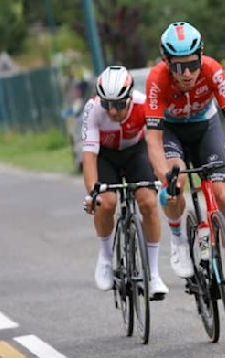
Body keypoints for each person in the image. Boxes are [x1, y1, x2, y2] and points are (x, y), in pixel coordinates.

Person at [145, 22, 225, 313]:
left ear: (201, 57)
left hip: (206, 128)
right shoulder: (157, 79)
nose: (186, 74)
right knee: (176, 182)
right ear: (166, 61)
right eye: (178, 67)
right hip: (172, 134)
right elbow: (154, 141)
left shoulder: (212, 70)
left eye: (192, 64)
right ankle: (180, 241)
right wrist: (164, 176)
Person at [82, 66, 168, 300]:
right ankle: (106, 257)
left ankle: (153, 274)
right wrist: (92, 194)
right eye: (107, 104)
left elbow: (155, 145)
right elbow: (89, 157)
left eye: (119, 104)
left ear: (130, 96)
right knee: (106, 202)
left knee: (148, 202)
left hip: (135, 152)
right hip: (106, 157)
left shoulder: (143, 105)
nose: (113, 110)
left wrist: (162, 179)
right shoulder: (92, 109)